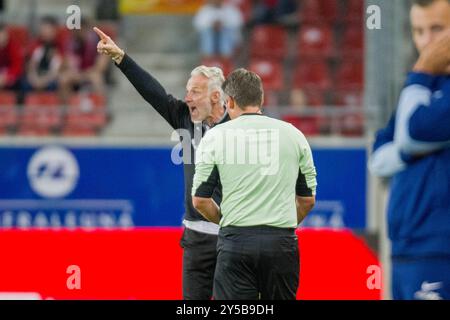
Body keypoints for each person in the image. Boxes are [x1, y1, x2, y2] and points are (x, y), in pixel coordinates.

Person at [94, 27, 230, 300]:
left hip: (232, 239)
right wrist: (121, 58)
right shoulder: (184, 118)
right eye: (187, 91)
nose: (187, 97)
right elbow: (152, 91)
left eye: (195, 92)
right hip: (194, 238)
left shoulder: (240, 127)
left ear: (216, 96)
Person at [192, 68, 317, 299]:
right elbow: (307, 200)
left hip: (235, 242)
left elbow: (200, 200)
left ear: (229, 102)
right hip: (281, 242)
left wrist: (227, 222)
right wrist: (283, 224)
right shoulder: (294, 135)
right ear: (261, 100)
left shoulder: (215, 137)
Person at [369, 0, 450, 300]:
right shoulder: (423, 85)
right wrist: (408, 151)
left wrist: (421, 72)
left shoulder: (419, 79)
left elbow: (414, 131)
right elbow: (379, 156)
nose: (426, 42)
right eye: (418, 31)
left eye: (437, 29)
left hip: (439, 248)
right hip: (407, 248)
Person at [59, 18, 109, 102]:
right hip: (77, 74)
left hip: (91, 73)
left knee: (97, 79)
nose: (76, 32)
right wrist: (75, 73)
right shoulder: (71, 42)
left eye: (79, 29)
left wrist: (86, 74)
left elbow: (100, 66)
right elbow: (67, 62)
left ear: (86, 28)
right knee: (64, 79)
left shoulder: (98, 41)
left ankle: (101, 111)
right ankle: (66, 112)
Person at [22, 16, 63, 93]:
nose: (44, 32)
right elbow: (30, 66)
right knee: (23, 83)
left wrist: (44, 81)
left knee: (56, 84)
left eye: (47, 29)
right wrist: (34, 79)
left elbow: (57, 69)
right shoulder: (34, 45)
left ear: (54, 31)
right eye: (43, 29)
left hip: (51, 78)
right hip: (34, 78)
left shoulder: (60, 46)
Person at [0, 22, 23, 91]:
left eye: (2, 34)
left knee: (21, 83)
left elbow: (17, 67)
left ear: (7, 34)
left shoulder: (14, 46)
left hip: (10, 78)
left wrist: (6, 77)